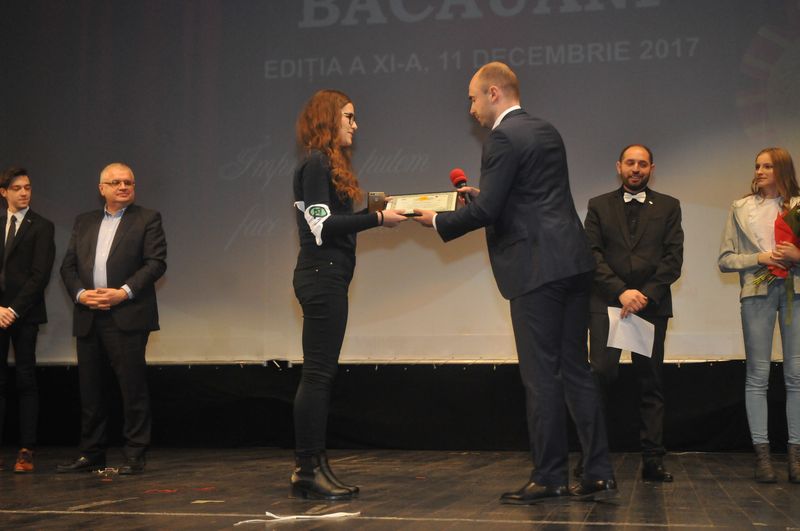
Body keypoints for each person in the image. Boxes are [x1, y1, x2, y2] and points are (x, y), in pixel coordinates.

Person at [413, 62, 616, 503]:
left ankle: (550, 476)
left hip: (536, 268)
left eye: (472, 99)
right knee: (576, 370)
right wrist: (485, 197)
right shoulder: (547, 130)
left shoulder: (502, 137)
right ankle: (599, 471)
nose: (471, 110)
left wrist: (438, 221)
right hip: (572, 262)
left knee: (541, 376)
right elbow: (531, 197)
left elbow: (489, 213)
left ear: (493, 93)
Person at [290, 89, 407, 500]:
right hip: (320, 276)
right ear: (328, 118)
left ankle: (315, 465)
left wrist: (377, 214)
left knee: (321, 374)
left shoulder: (324, 163)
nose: (355, 125)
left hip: (328, 275)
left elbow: (332, 220)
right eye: (349, 117)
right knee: (318, 375)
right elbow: (322, 227)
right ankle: (308, 468)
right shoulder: (316, 163)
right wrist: (377, 219)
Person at [58, 162, 167, 475]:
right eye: (116, 182)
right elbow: (67, 267)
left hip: (127, 315)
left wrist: (123, 292)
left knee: (132, 388)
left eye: (128, 182)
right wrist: (81, 294)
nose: (123, 187)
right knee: (90, 390)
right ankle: (92, 453)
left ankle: (135, 454)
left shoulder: (147, 219)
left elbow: (156, 263)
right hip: (89, 315)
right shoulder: (84, 221)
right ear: (101, 188)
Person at [583, 145, 683, 483]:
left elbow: (673, 258)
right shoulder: (598, 205)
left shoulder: (669, 206)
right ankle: (592, 459)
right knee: (600, 376)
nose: (636, 169)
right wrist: (620, 291)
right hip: (606, 303)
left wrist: (644, 295)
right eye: (630, 163)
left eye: (642, 164)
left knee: (650, 382)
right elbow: (591, 254)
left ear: (652, 168)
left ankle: (653, 461)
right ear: (619, 167)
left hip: (649, 305)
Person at [719, 147, 800, 483]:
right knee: (758, 374)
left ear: (782, 169)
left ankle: (796, 457)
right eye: (757, 166)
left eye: (767, 166)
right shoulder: (741, 208)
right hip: (757, 290)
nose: (760, 171)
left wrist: (796, 255)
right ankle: (763, 456)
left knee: (796, 375)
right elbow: (725, 259)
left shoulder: (798, 206)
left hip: (795, 291)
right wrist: (761, 258)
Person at [0, 167, 55, 473]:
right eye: (17, 188)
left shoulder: (42, 226)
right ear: (3, 192)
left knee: (25, 379)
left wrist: (13, 310)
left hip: (25, 314)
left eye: (28, 187)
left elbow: (39, 275)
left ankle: (26, 449)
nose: (24, 192)